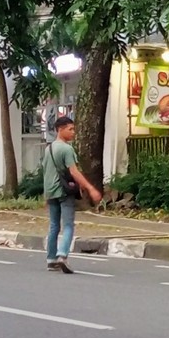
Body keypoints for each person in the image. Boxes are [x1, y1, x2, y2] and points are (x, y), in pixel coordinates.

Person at [43, 115, 102, 273]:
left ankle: (51, 259)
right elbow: (74, 172)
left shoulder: (48, 149)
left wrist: (46, 195)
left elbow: (46, 173)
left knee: (54, 225)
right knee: (68, 225)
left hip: (51, 192)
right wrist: (90, 188)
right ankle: (63, 255)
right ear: (60, 130)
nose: (73, 132)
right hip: (64, 191)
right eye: (70, 129)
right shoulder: (66, 149)